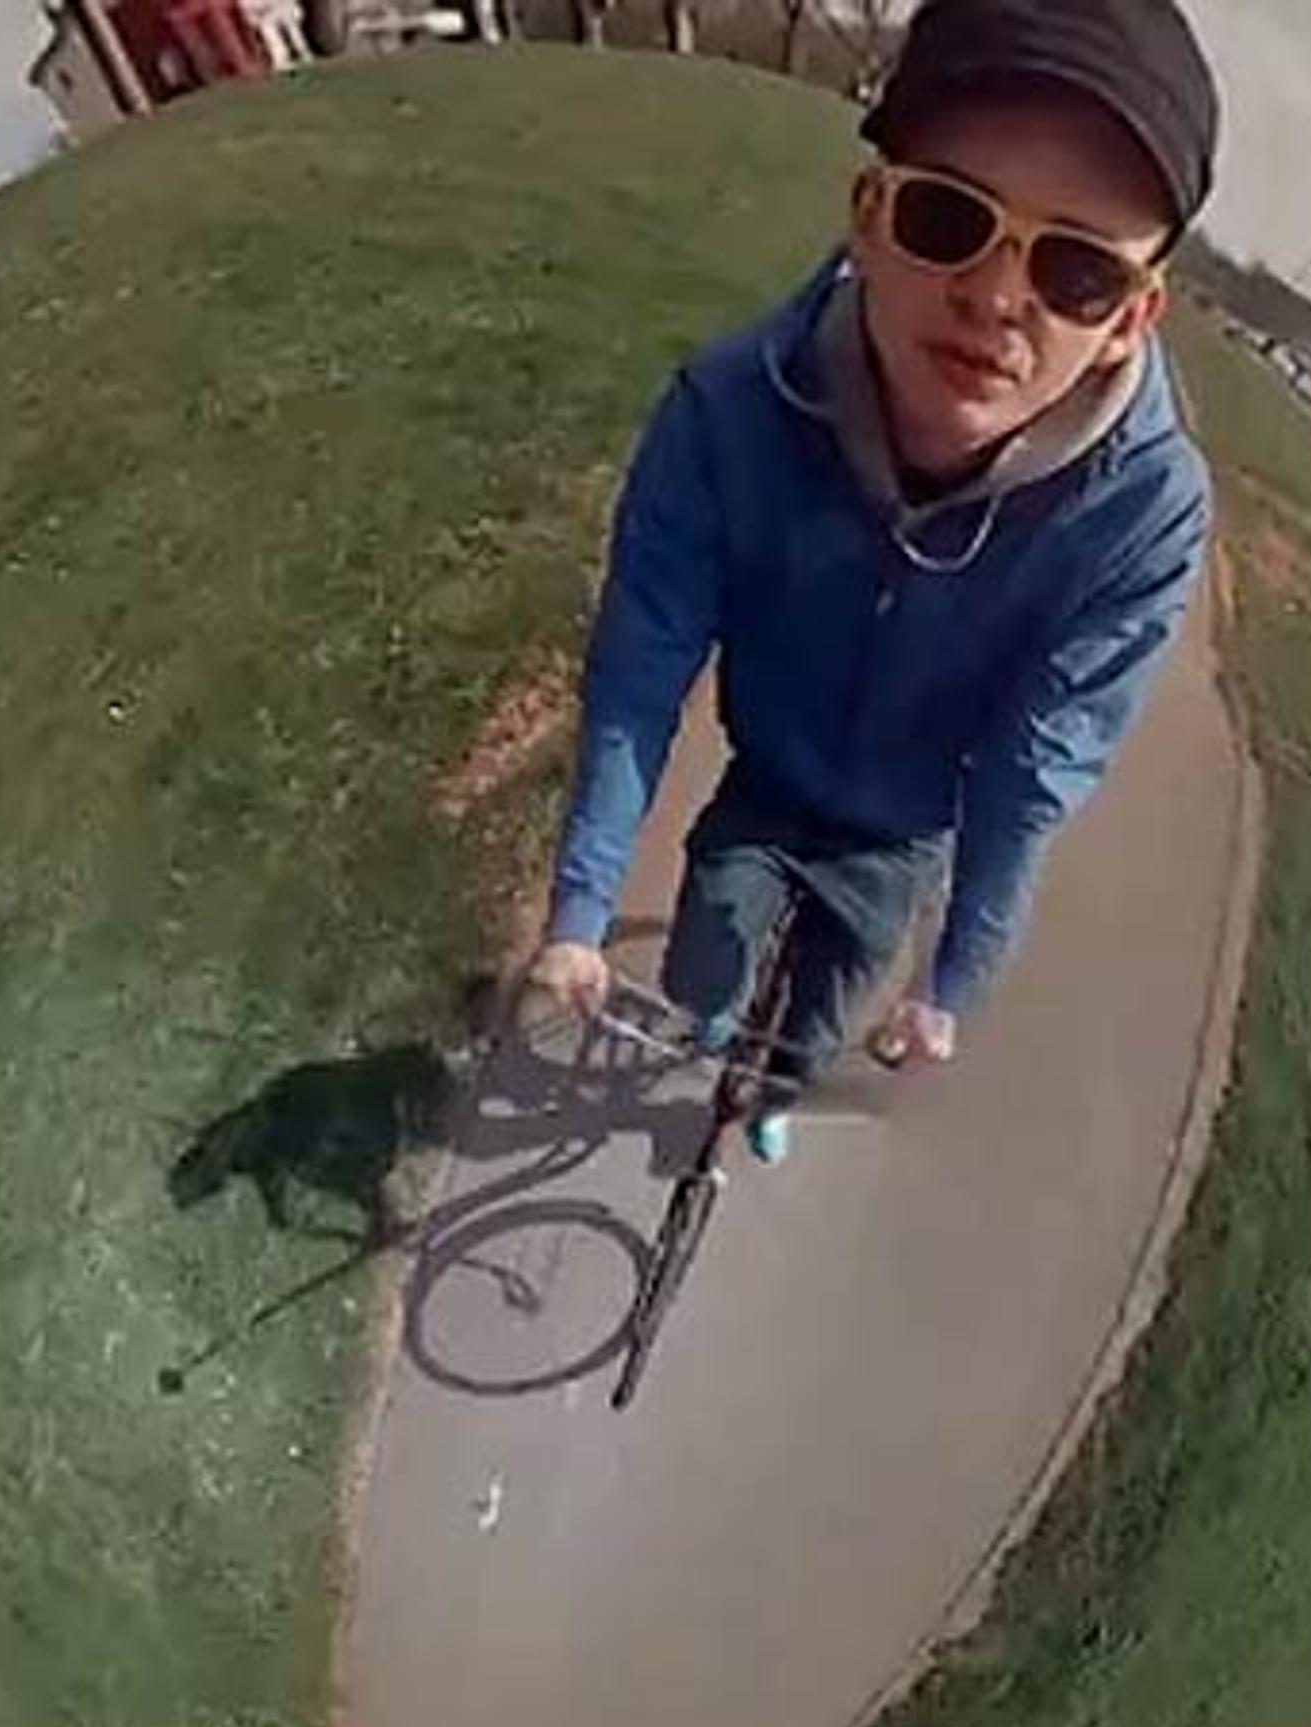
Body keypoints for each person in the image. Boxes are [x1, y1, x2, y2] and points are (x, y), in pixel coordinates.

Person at [495, 0, 1222, 1163]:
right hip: (771, 765)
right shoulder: (726, 410)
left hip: (906, 828)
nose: (997, 298)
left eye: (1076, 271)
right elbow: (640, 669)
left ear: (1132, 318)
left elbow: (1032, 773)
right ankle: (713, 1024)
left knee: (830, 1005)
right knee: (703, 955)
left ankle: (776, 1090)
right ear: (870, 214)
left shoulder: (1147, 520)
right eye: (949, 217)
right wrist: (580, 912)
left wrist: (950, 985)